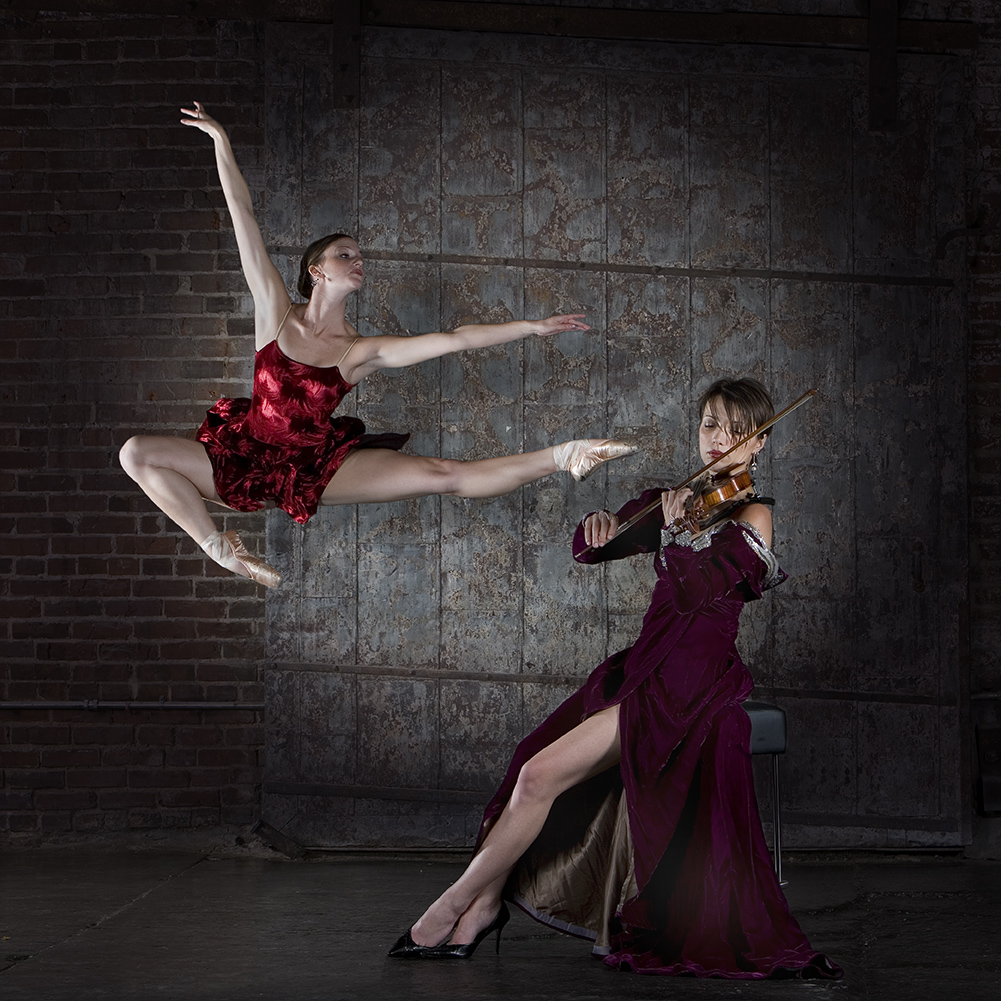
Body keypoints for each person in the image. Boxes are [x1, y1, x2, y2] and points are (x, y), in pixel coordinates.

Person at [389, 378, 842, 979]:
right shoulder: (677, 498)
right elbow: (590, 550)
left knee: (538, 777)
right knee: (530, 770)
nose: (719, 439)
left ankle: (454, 907)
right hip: (644, 668)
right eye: (710, 424)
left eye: (737, 431)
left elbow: (699, 592)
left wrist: (678, 533)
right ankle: (480, 909)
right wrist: (599, 523)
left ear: (758, 444)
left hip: (689, 684)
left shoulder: (752, 514)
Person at [119, 103, 636, 588]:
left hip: (315, 467)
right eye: (346, 254)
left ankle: (568, 454)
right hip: (243, 458)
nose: (358, 261)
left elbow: (453, 340)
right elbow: (243, 215)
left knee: (443, 475)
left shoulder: (358, 352)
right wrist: (220, 140)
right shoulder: (275, 314)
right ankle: (220, 548)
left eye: (361, 257)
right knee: (136, 453)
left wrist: (531, 327)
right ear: (317, 270)